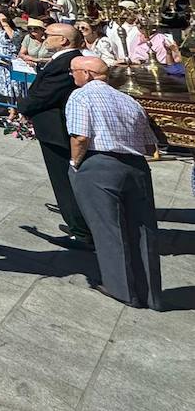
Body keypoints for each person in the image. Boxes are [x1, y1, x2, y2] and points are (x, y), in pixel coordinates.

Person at [64, 56, 163, 309]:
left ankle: (121, 289)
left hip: (99, 163)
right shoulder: (129, 99)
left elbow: (81, 136)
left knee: (108, 229)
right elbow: (151, 144)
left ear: (86, 73)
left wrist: (75, 163)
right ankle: (151, 293)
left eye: (74, 71)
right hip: (136, 165)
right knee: (143, 229)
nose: (72, 76)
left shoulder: (81, 96)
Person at [16, 23, 91, 247]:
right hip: (53, 128)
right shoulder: (65, 59)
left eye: (49, 35)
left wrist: (22, 107)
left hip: (57, 131)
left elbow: (44, 95)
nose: (44, 38)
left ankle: (81, 232)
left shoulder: (67, 63)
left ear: (63, 41)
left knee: (64, 180)